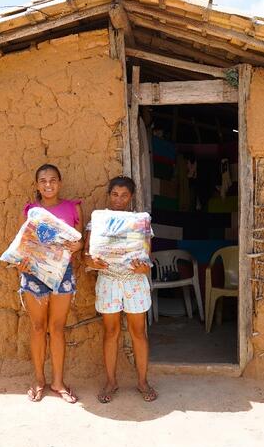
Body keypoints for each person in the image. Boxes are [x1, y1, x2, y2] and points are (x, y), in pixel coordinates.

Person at [85, 176, 158, 403]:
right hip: (108, 280)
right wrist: (92, 262)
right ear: (109, 195)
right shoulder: (98, 222)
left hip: (134, 282)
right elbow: (86, 256)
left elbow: (146, 258)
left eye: (124, 195)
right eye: (115, 194)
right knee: (111, 332)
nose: (119, 200)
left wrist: (144, 267)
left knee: (138, 332)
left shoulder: (140, 223)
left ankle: (142, 381)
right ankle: (111, 381)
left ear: (131, 197)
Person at [16, 164, 83, 404]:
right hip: (34, 275)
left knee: (57, 328)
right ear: (37, 185)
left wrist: (78, 245)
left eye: (53, 180)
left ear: (60, 183)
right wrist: (22, 263)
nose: (48, 184)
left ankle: (58, 382)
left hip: (62, 274)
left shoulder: (73, 208)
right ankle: (38, 380)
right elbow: (22, 243)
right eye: (43, 181)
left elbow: (79, 241)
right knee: (37, 327)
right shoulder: (31, 210)